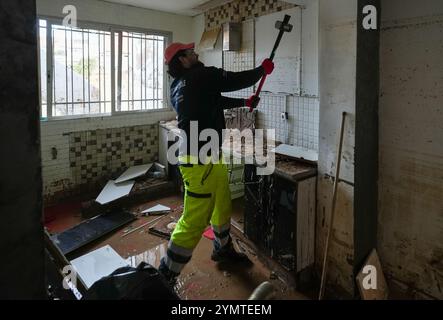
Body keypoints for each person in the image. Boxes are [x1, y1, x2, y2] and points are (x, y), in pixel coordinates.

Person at [158, 42, 274, 286]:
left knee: (222, 201)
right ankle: (164, 277)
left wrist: (245, 102)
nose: (196, 53)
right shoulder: (202, 74)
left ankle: (222, 248)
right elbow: (233, 79)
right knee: (194, 219)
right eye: (190, 52)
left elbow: (213, 101)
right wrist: (260, 71)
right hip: (200, 160)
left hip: (208, 157)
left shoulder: (178, 85)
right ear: (182, 59)